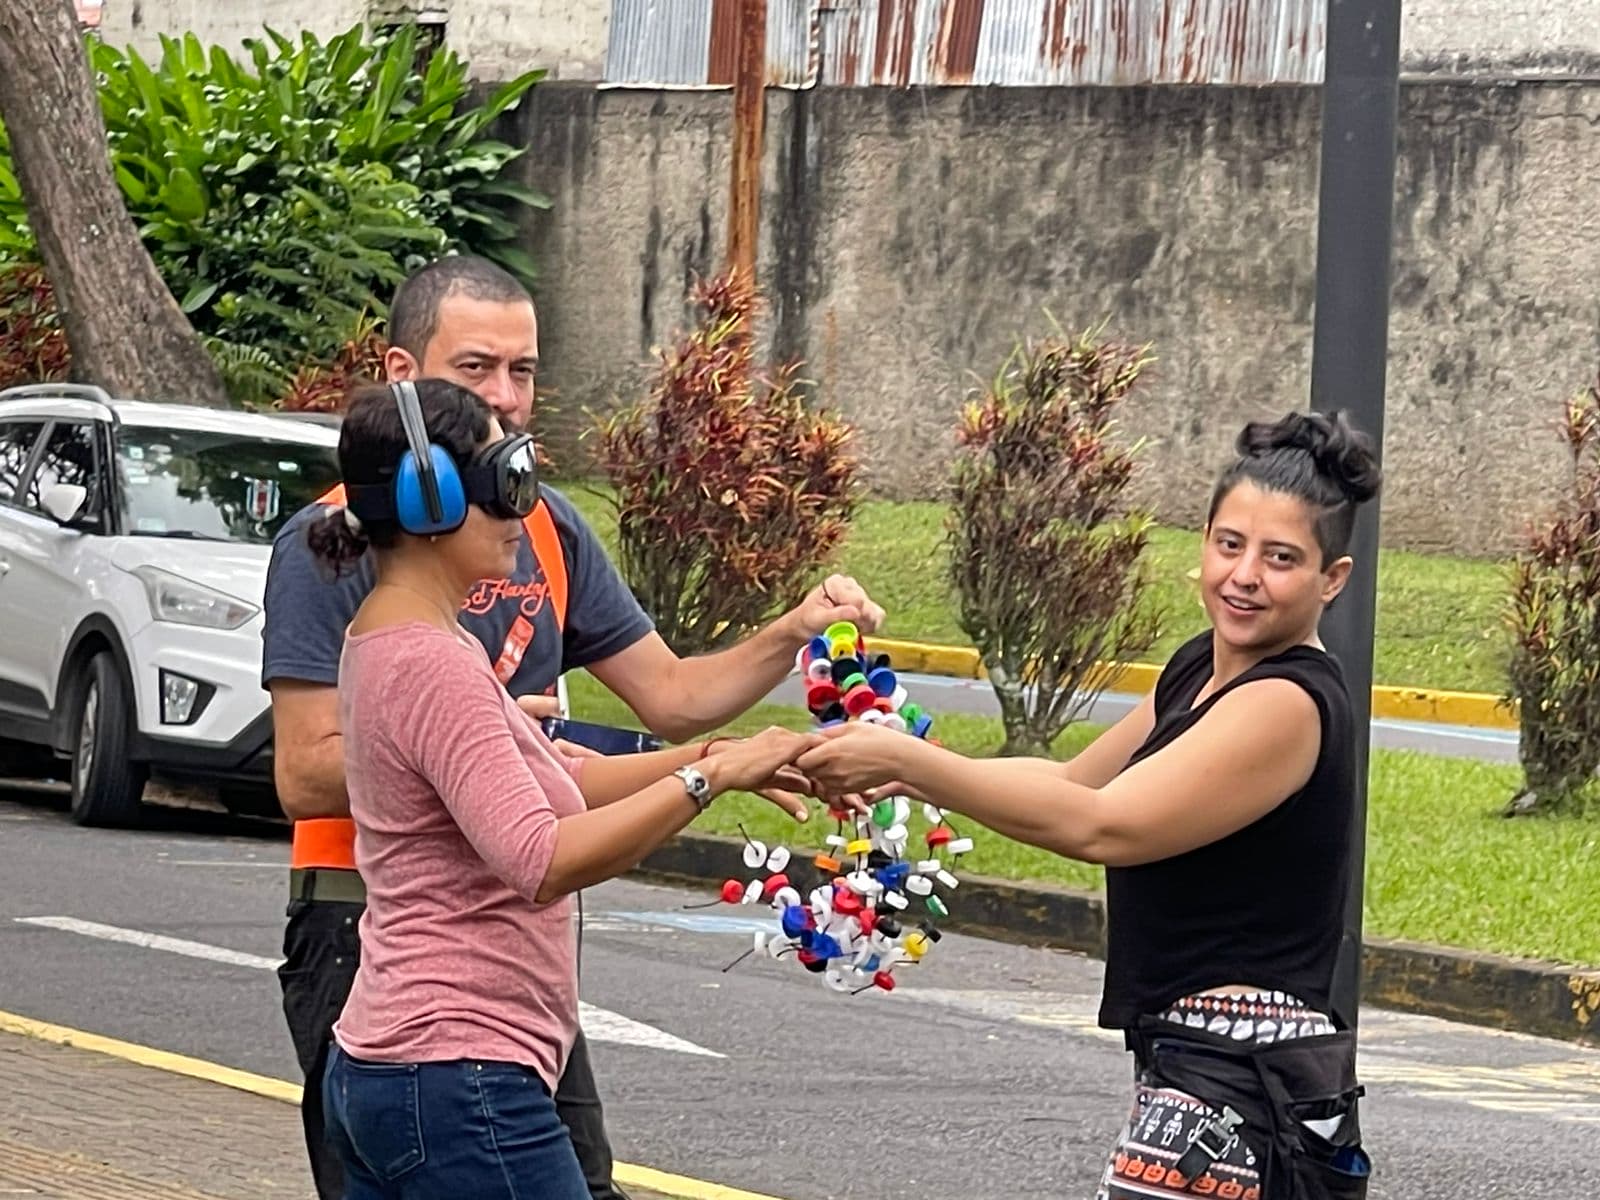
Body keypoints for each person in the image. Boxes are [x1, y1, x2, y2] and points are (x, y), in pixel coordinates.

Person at [262, 255, 882, 1200]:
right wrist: (701, 781)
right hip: (435, 1022)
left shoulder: (427, 626)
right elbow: (533, 850)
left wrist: (724, 740)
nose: (508, 403)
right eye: (477, 371)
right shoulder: (417, 646)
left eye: (523, 373)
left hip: (442, 1042)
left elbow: (626, 728)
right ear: (427, 492)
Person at [798, 411, 1378, 1200]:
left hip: (1242, 1084)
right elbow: (1077, 783)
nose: (1244, 575)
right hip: (1195, 1067)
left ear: (1331, 579)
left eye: (1280, 558)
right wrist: (910, 768)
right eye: (1229, 544)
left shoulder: (1286, 701)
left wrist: (911, 762)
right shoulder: (1199, 668)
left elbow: (1105, 826)